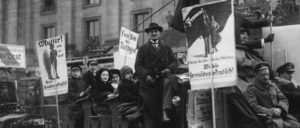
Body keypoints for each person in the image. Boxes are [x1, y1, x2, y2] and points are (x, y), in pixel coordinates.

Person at [135, 22, 178, 128]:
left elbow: (174, 62)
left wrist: (168, 69)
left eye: (156, 31)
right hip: (149, 84)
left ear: (159, 33)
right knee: (150, 111)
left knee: (169, 82)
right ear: (148, 34)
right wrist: (146, 75)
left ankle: (165, 111)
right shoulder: (142, 49)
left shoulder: (166, 48)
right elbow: (138, 65)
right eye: (151, 32)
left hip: (162, 79)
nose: (154, 33)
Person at [245, 62, 300, 128]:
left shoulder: (272, 85)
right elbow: (253, 106)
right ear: (256, 75)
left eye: (267, 74)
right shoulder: (251, 89)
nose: (266, 77)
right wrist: (271, 111)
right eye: (262, 75)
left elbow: (283, 98)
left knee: (296, 124)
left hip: (280, 114)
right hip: (266, 118)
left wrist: (280, 108)